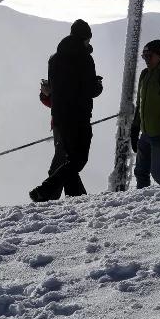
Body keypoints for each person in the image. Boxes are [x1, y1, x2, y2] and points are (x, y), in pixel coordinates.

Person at [30, 19, 103, 202]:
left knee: (69, 159)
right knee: (78, 160)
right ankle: (45, 190)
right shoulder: (84, 58)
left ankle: (75, 199)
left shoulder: (54, 59)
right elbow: (89, 89)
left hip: (60, 117)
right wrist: (98, 85)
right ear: (85, 38)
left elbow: (56, 91)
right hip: (79, 115)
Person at [131, 39, 160, 187]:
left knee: (158, 173)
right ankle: (141, 203)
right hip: (145, 133)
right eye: (144, 56)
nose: (146, 59)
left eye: (149, 56)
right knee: (140, 171)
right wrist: (135, 127)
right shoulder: (145, 75)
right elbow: (140, 104)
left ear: (159, 55)